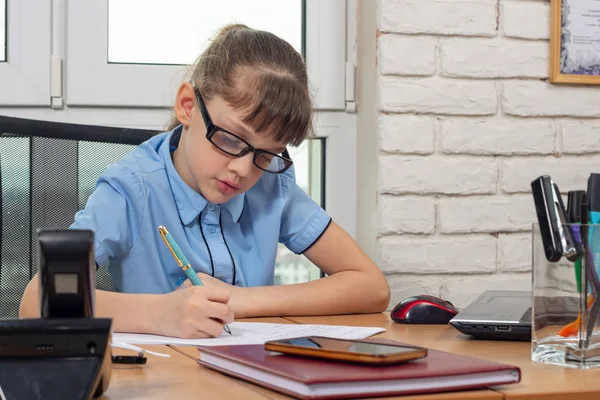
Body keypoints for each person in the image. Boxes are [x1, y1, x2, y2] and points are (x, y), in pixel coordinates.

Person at [20, 24, 390, 338]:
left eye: (265, 154)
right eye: (230, 140)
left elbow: (370, 285)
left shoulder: (272, 186)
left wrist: (240, 299)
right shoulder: (132, 189)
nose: (244, 170)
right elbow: (37, 301)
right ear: (188, 106)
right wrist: (160, 315)